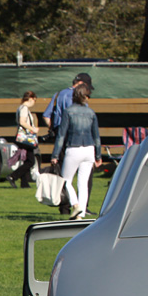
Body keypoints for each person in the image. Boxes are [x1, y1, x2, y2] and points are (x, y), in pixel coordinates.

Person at [44, 72, 95, 213]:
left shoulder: (58, 94)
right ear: (81, 85)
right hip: (76, 137)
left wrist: (53, 130)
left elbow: (46, 116)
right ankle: (82, 207)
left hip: (60, 135)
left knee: (63, 172)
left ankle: (64, 206)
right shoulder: (77, 98)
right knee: (84, 176)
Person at [51, 83, 101, 220]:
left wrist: (55, 154)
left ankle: (75, 205)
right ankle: (82, 213)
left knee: (65, 180)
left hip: (74, 148)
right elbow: (96, 136)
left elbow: (61, 135)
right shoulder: (91, 113)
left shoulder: (68, 111)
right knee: (83, 183)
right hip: (89, 149)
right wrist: (98, 155)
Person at [9, 91, 39, 189]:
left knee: (26, 159)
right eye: (34, 100)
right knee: (31, 161)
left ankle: (24, 183)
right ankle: (13, 176)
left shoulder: (20, 108)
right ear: (30, 98)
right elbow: (22, 122)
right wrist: (32, 129)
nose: (34, 103)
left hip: (21, 137)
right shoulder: (24, 109)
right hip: (25, 138)